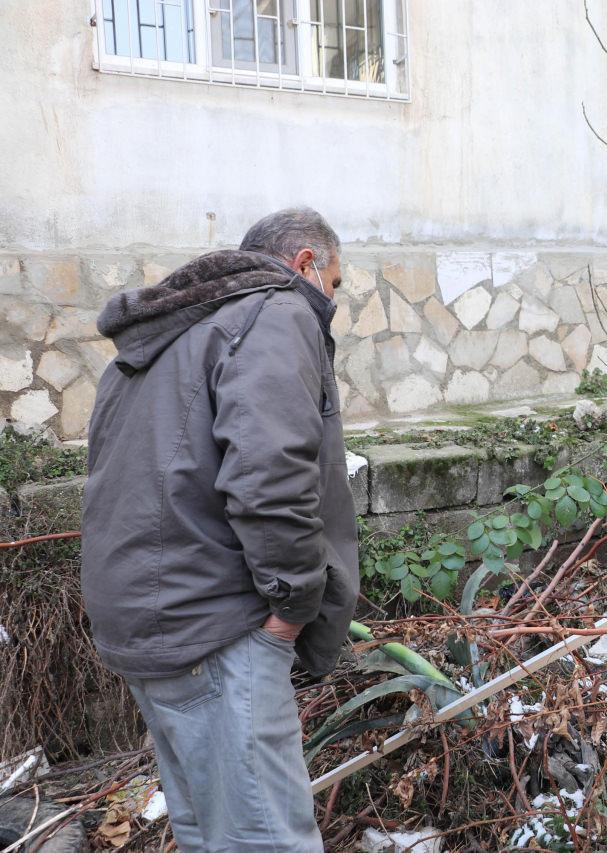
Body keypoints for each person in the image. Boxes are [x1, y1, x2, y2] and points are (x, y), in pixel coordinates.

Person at [81, 208, 359, 851]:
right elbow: (270, 475)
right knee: (267, 839)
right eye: (335, 284)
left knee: (208, 831)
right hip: (216, 625)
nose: (332, 302)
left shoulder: (171, 331)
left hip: (145, 620)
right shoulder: (277, 312)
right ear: (306, 264)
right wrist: (291, 610)